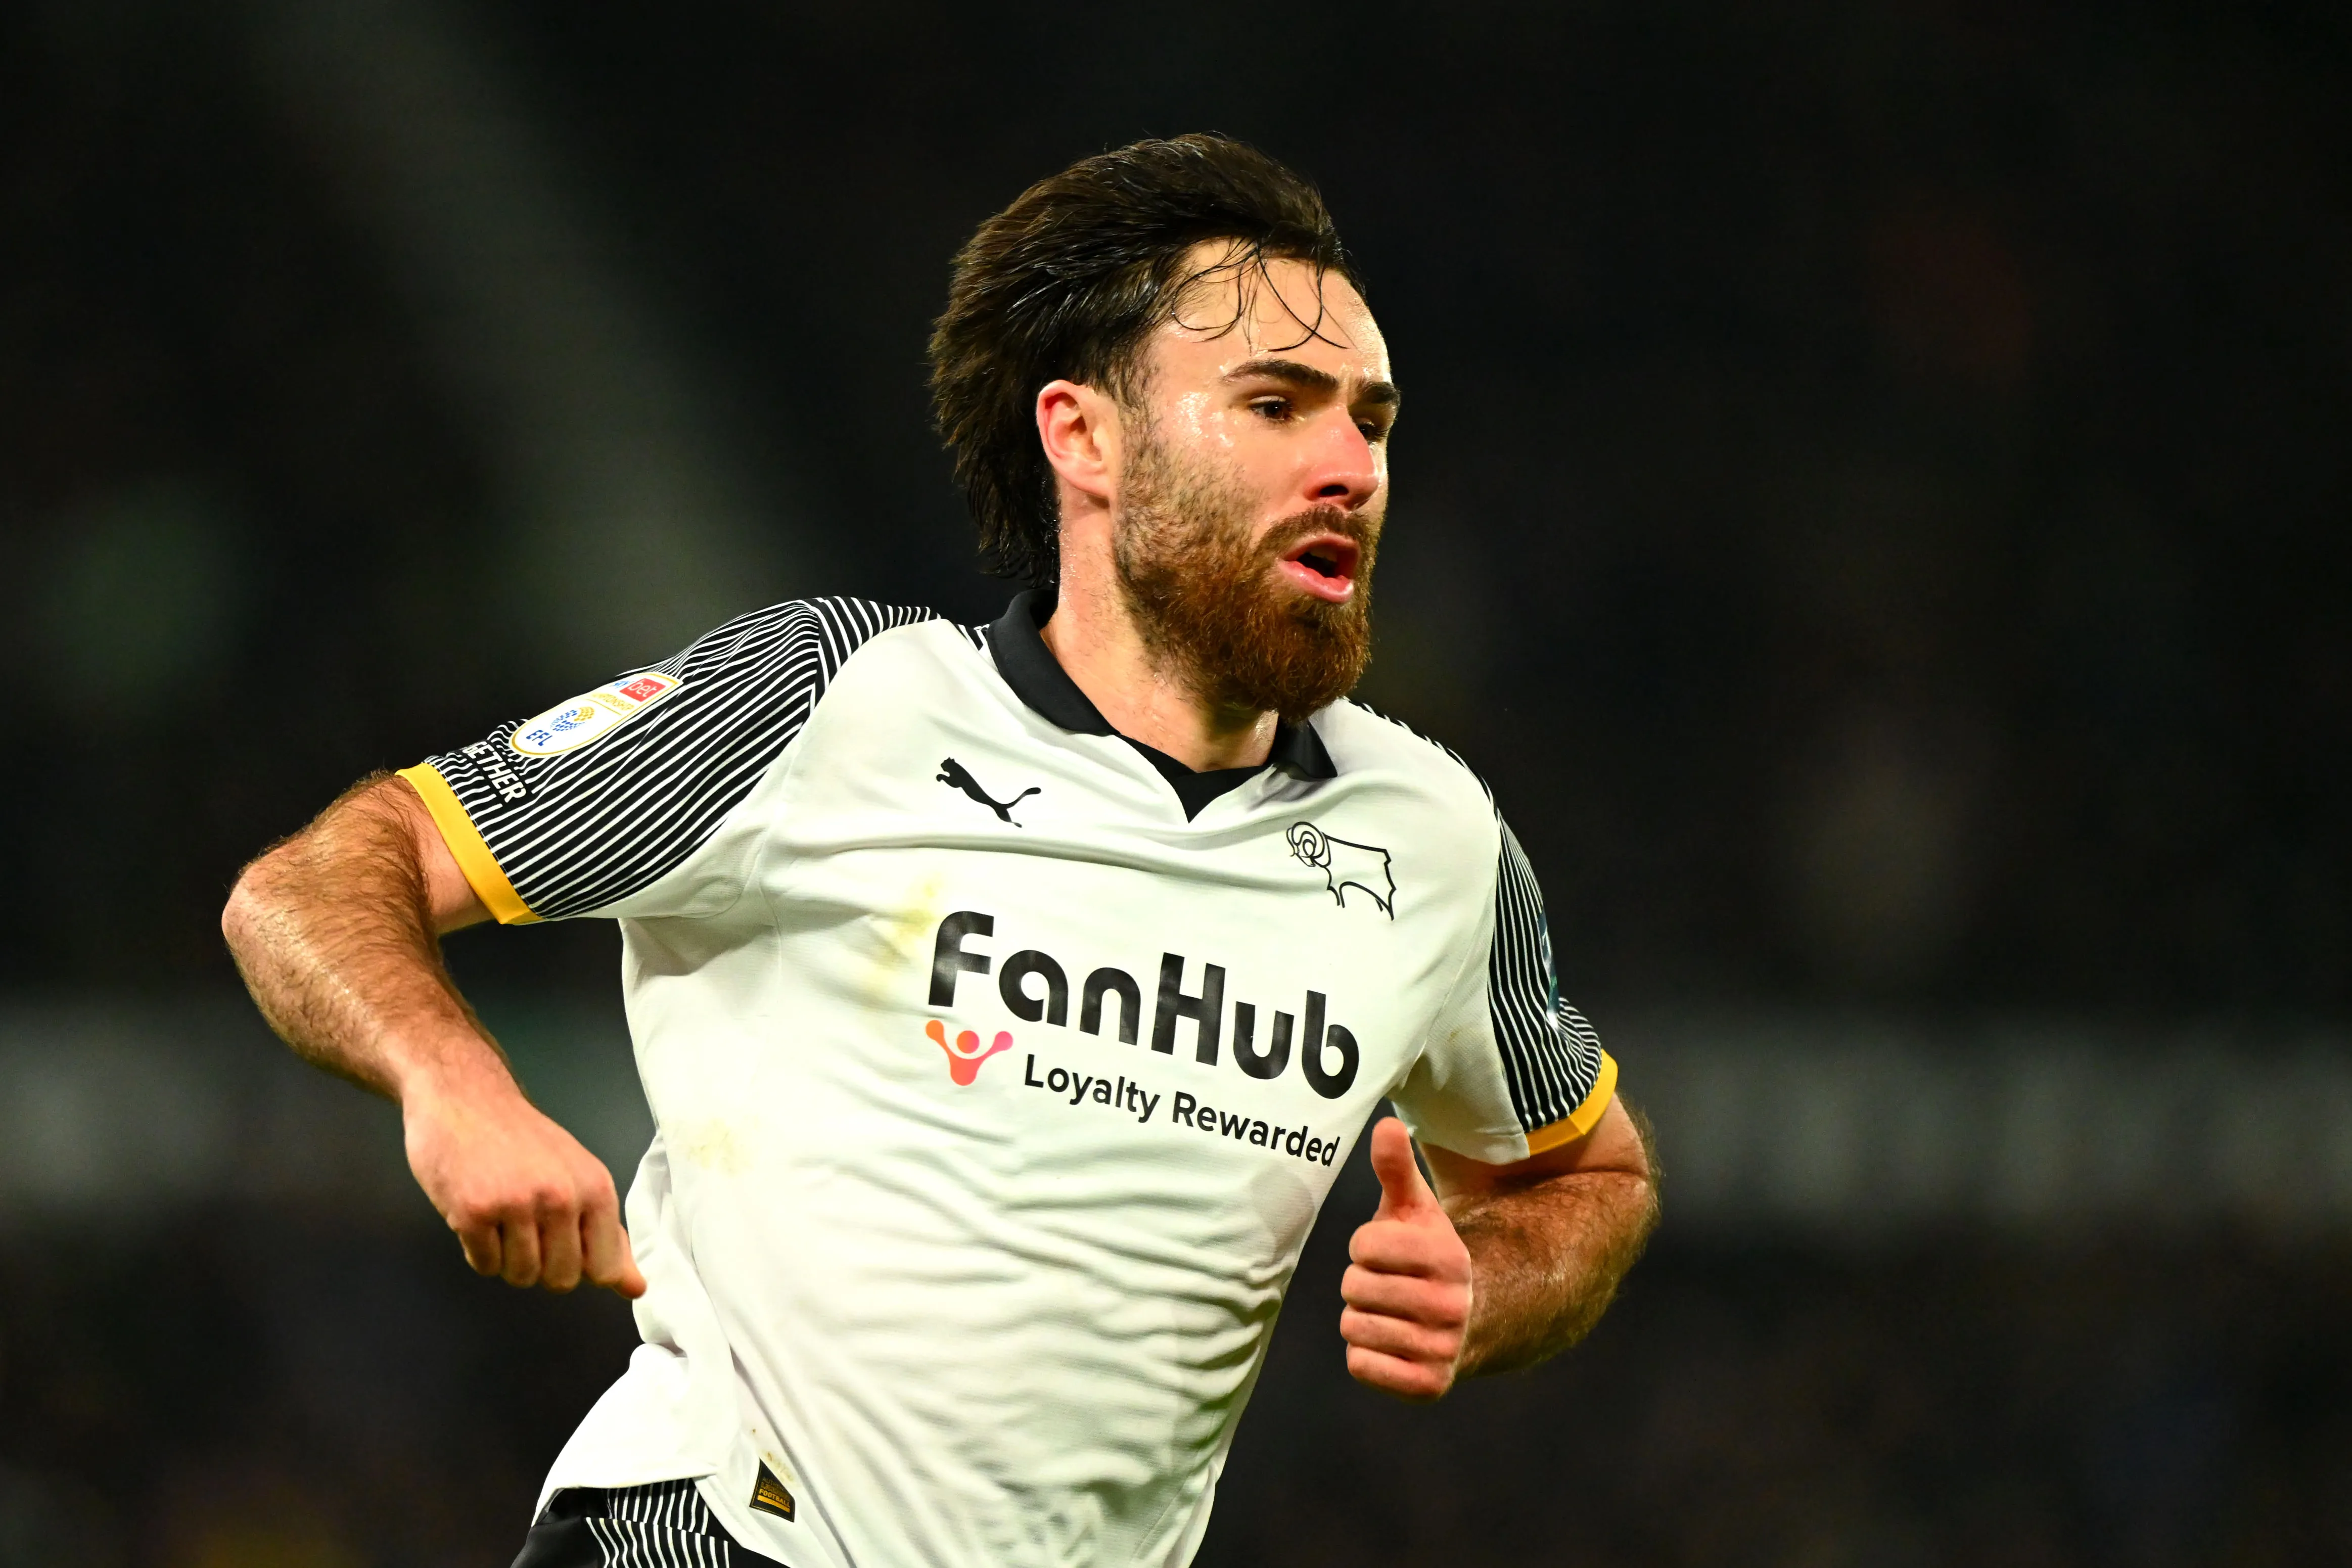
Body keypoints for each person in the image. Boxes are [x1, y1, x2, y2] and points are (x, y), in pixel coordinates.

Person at [222, 133, 1658, 1568]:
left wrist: (1488, 1278)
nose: (1349, 466)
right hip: (714, 1533)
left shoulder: (1429, 833)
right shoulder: (835, 698)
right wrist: (453, 1082)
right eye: (1275, 403)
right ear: (1082, 438)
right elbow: (316, 880)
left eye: (1373, 419)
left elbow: (1590, 1177)